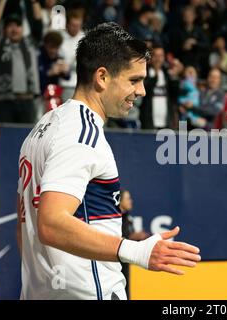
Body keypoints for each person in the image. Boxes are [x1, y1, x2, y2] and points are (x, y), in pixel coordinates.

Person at [16, 22, 201, 300]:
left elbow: (25, 227)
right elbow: (50, 222)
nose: (142, 91)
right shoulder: (82, 134)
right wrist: (134, 250)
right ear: (102, 77)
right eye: (134, 79)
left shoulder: (44, 127)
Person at [119, 189, 150, 299]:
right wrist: (131, 237)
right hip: (114, 262)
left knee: (125, 287)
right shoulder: (114, 218)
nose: (130, 201)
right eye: (128, 199)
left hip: (124, 260)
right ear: (120, 201)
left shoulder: (127, 218)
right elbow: (111, 239)